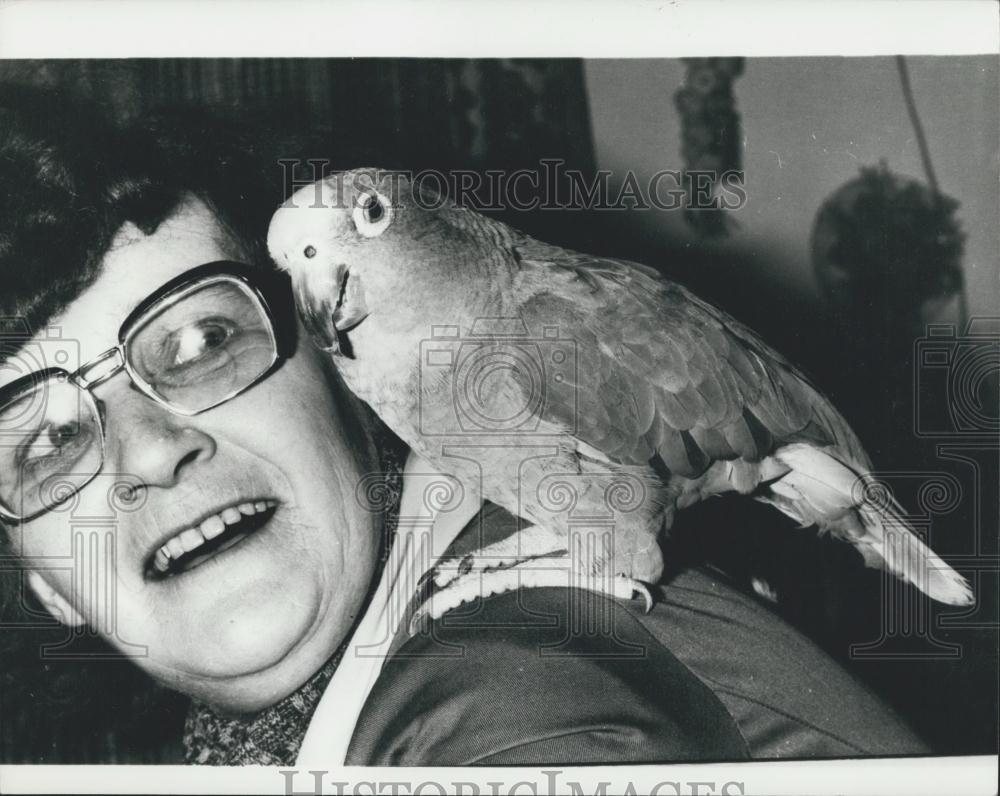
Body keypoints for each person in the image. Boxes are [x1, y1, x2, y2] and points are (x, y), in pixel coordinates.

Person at [0, 87, 927, 766]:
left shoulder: (508, 711)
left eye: (204, 338)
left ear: (319, 373)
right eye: (42, 440)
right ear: (48, 590)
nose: (154, 452)